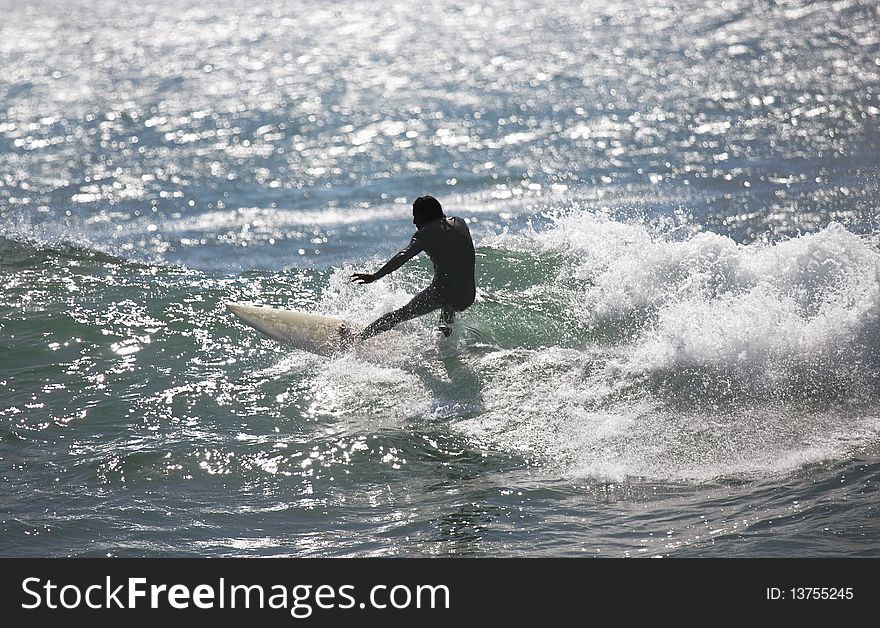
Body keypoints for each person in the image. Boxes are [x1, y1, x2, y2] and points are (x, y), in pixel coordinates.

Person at [351, 195, 476, 341]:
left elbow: (403, 256)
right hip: (467, 295)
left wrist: (375, 276)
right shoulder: (459, 222)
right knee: (450, 302)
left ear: (425, 215)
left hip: (441, 293)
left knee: (401, 314)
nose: (414, 221)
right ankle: (445, 339)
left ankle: (358, 338)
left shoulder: (424, 235)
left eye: (416, 216)